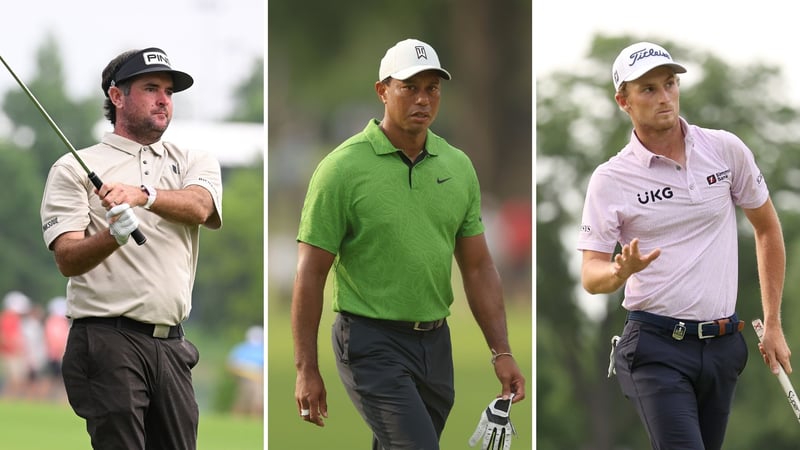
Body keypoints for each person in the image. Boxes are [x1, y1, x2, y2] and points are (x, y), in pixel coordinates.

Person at [292, 38, 526, 450]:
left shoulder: (458, 167)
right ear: (383, 91)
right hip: (369, 341)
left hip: (435, 345)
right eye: (409, 87)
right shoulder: (341, 169)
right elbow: (311, 272)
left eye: (432, 88)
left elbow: (477, 266)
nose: (423, 99)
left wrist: (500, 351)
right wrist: (305, 368)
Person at [578, 41, 792, 450]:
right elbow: (591, 275)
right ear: (623, 101)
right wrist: (618, 272)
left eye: (670, 84)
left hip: (723, 347)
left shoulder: (725, 149)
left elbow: (766, 228)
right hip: (655, 347)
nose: (664, 97)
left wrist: (774, 322)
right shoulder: (611, 179)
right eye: (648, 89)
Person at [39, 47, 223, 450]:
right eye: (151, 88)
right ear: (117, 96)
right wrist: (112, 236)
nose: (164, 100)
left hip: (172, 346)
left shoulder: (194, 160)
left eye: (169, 92)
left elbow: (201, 207)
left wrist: (145, 195)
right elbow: (67, 258)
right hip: (107, 339)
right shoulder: (73, 167)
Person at [227, 325, 264, 416]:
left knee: (257, 398)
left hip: (259, 378)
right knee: (246, 398)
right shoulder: (241, 349)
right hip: (244, 378)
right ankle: (238, 417)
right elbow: (231, 365)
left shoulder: (263, 349)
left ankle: (255, 418)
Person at [0, 291, 31, 399]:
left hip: (13, 353)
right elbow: (5, 336)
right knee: (14, 381)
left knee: (16, 381)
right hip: (11, 353)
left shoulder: (11, 318)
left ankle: (11, 400)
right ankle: (9, 400)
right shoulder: (9, 318)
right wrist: (14, 349)